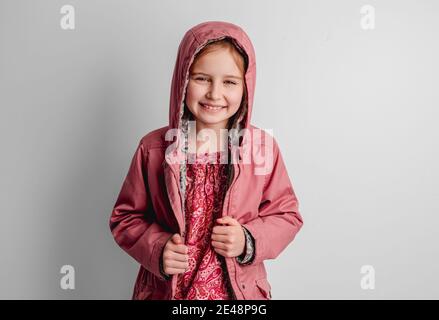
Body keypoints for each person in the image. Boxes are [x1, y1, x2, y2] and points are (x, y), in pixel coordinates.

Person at [109, 21, 303, 300]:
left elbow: (287, 216)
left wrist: (248, 239)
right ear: (182, 80)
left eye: (229, 82)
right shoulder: (153, 149)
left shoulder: (260, 147)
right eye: (202, 78)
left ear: (245, 86)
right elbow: (126, 217)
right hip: (171, 294)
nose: (214, 93)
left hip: (237, 296)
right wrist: (158, 249)